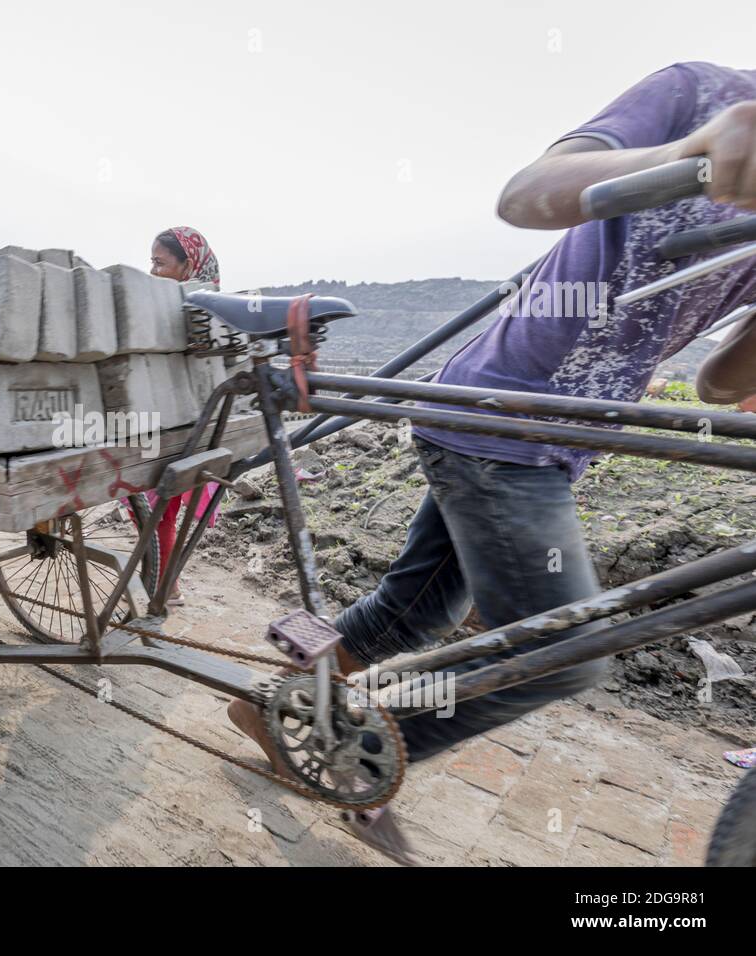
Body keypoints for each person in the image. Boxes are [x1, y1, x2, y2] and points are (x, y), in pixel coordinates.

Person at [227, 62, 756, 861]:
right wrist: (694, 152)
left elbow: (721, 382)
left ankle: (281, 707)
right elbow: (525, 194)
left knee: (417, 613)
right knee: (562, 658)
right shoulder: (704, 96)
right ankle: (348, 744)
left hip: (556, 442)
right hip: (494, 416)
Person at [148, 226, 222, 604]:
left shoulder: (196, 309)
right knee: (163, 511)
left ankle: (166, 585)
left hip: (180, 429)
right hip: (185, 424)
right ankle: (164, 580)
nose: (153, 272)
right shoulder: (206, 304)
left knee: (160, 509)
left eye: (159, 263)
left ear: (187, 264)